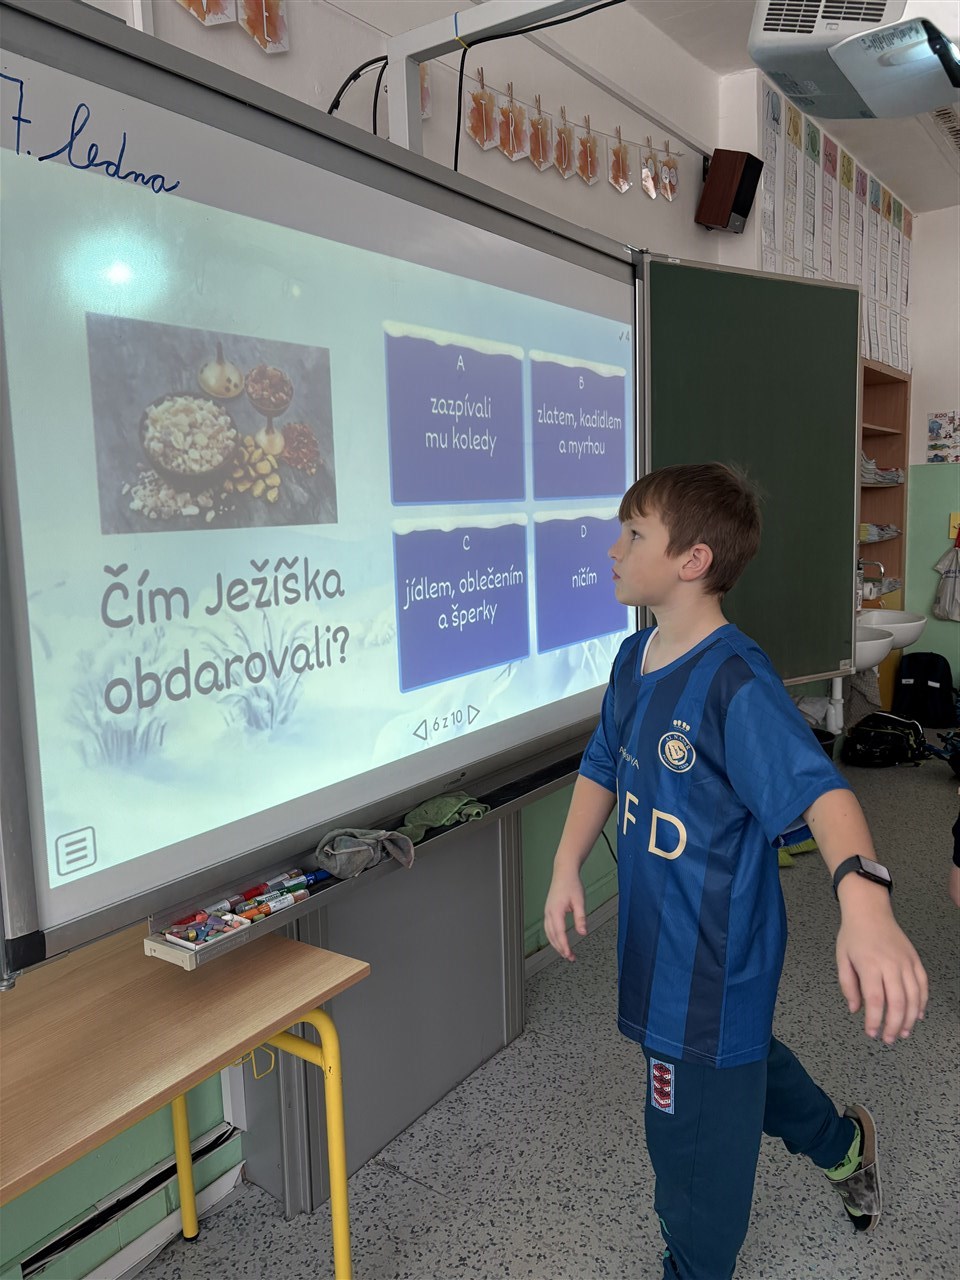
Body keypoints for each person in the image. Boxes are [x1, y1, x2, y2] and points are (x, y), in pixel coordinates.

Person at [544, 463, 928, 1280]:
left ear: (693, 560)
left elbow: (821, 795)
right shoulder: (635, 656)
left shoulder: (734, 682)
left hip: (709, 967)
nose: (613, 550)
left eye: (633, 534)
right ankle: (843, 1144)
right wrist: (566, 863)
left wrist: (866, 906)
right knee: (736, 1062)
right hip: (658, 949)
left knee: (691, 1175)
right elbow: (605, 760)